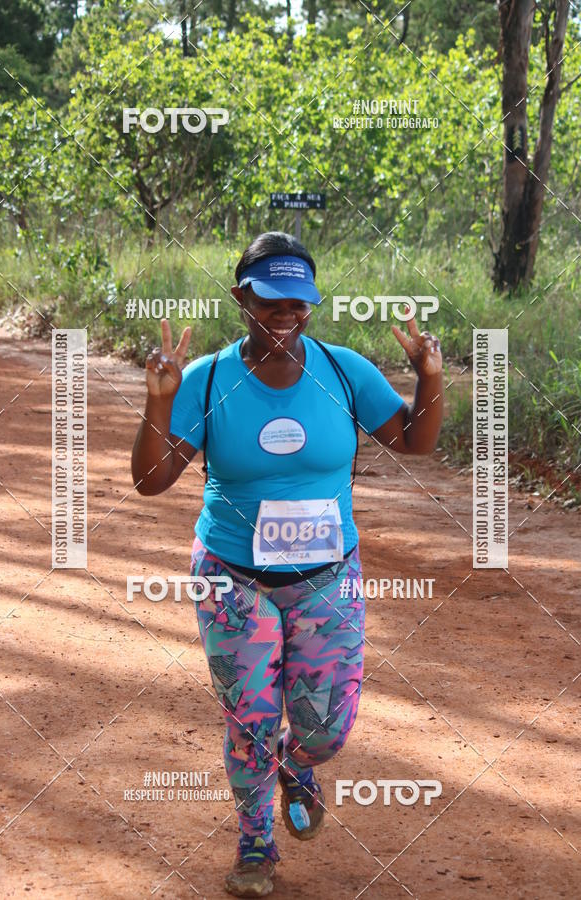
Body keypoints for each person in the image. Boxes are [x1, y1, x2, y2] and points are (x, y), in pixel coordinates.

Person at [131, 231, 443, 897]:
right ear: (241, 298)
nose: (285, 315)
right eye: (270, 302)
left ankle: (300, 768)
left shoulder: (343, 371)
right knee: (250, 722)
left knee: (325, 730)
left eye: (297, 303)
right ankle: (254, 848)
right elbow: (152, 481)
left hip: (327, 581)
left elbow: (416, 442)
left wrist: (431, 378)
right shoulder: (209, 378)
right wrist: (160, 402)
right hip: (232, 579)